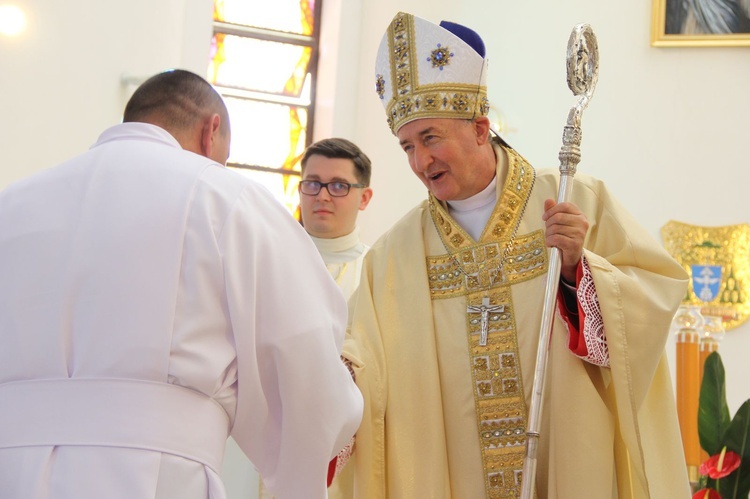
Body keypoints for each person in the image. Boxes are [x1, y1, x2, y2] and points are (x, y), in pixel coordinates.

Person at [343, 12, 691, 498]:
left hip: (566, 461)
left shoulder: (576, 199)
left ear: (481, 128)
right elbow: (361, 364)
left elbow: (654, 302)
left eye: (430, 138)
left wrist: (579, 272)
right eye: (407, 146)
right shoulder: (393, 257)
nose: (420, 162)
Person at [0, 68, 362, 499]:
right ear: (212, 132)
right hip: (156, 473)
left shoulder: (12, 204)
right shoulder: (228, 197)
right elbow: (303, 354)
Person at [299, 137, 374, 301]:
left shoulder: (378, 271)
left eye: (339, 186)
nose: (322, 196)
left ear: (364, 198)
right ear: (300, 191)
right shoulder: (270, 262)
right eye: (312, 184)